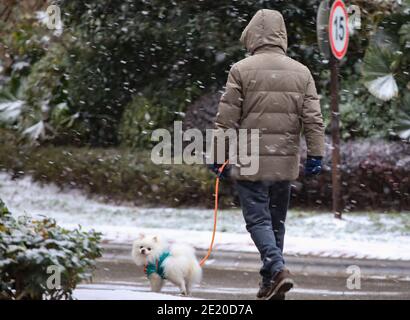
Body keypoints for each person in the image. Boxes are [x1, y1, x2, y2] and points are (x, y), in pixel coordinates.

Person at [211, 9, 325, 300]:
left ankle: (276, 269)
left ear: (252, 35)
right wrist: (315, 154)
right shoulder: (302, 72)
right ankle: (270, 284)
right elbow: (313, 119)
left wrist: (218, 155)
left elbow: (226, 119)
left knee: (258, 221)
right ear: (282, 35)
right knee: (276, 223)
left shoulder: (241, 69)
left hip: (251, 160)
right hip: (284, 160)